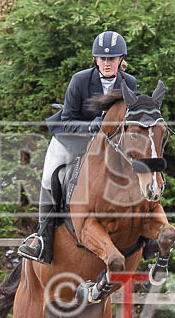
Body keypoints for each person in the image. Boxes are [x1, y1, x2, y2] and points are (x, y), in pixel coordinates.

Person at [18, 30, 138, 264]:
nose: (106, 63)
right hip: (72, 138)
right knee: (49, 176)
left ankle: (147, 231)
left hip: (108, 144)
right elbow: (67, 120)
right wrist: (90, 128)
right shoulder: (80, 80)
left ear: (120, 59)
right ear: (95, 59)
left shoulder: (129, 83)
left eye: (111, 58)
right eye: (102, 58)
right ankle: (43, 236)